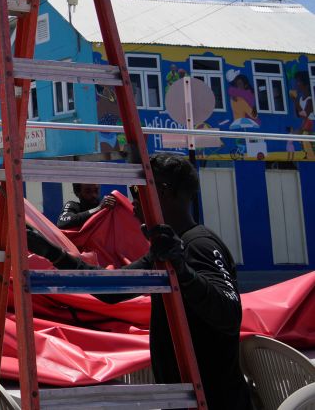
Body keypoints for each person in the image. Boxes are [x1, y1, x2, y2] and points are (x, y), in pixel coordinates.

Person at [27, 154, 253, 410]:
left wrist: (183, 271)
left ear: (163, 192)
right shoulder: (165, 248)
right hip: (184, 397)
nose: (131, 199)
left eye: (137, 189)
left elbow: (230, 314)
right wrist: (53, 253)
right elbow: (111, 290)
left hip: (216, 400)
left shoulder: (199, 245)